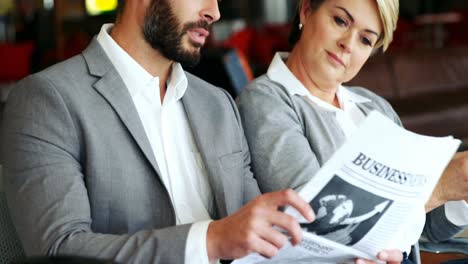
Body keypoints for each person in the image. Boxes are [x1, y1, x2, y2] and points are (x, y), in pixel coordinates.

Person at [0, 0, 404, 263]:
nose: (213, 11)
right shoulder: (47, 98)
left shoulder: (218, 104)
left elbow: (261, 239)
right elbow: (59, 250)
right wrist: (209, 242)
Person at [237, 0, 468, 256]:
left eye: (366, 40)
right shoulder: (265, 100)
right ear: (306, 10)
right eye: (340, 21)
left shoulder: (374, 107)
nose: (348, 43)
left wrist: (460, 192)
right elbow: (315, 221)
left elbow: (421, 232)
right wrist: (437, 189)